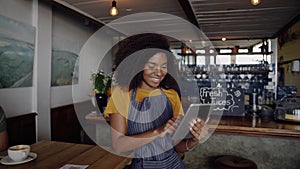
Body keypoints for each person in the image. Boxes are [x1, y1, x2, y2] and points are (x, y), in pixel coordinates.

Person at [104, 33, 208, 169]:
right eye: (152, 66)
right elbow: (119, 145)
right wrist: (158, 131)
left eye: (163, 66)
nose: (159, 72)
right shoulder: (122, 94)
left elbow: (177, 146)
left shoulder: (172, 95)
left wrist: (195, 139)